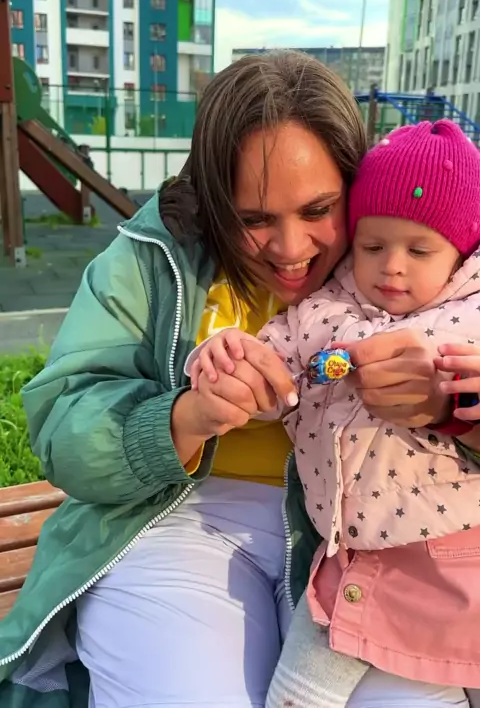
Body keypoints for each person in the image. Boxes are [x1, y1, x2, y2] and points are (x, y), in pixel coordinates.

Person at [0, 54, 477, 708]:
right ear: (211, 199)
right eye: (253, 219)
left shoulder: (433, 257)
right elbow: (64, 429)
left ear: (359, 185)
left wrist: (453, 406)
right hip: (178, 520)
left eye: (319, 209)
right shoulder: (153, 259)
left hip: (381, 548)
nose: (291, 249)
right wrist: (184, 418)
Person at [189, 119, 480, 708]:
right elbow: (270, 375)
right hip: (350, 565)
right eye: (373, 246)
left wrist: (458, 404)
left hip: (459, 559)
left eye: (419, 250)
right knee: (296, 696)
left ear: (461, 253)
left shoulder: (471, 316)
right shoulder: (322, 312)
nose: (392, 266)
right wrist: (223, 359)